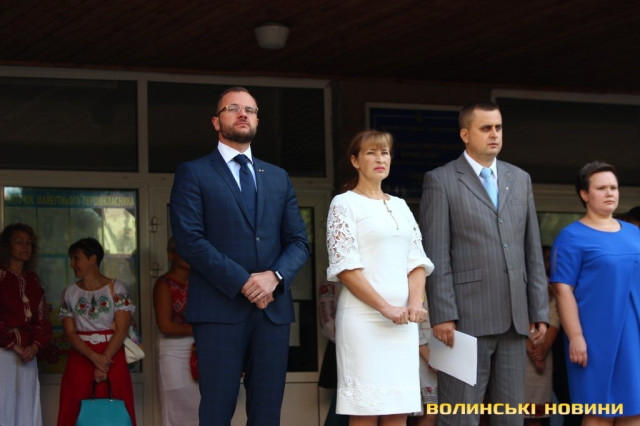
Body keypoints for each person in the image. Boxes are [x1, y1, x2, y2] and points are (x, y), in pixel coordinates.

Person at [169, 86, 310, 426]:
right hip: (219, 310)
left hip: (272, 312)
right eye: (233, 108)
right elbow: (190, 241)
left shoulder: (278, 177)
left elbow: (298, 241)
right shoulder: (194, 172)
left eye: (250, 109)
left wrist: (274, 277)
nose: (243, 113)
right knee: (216, 411)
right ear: (216, 122)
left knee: (267, 413)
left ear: (258, 120)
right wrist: (244, 282)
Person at [419, 100, 549, 426]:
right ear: (465, 134)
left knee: (510, 418)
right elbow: (436, 254)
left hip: (515, 319)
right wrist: (443, 314)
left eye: (499, 127)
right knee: (460, 417)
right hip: (463, 320)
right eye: (486, 128)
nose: (494, 134)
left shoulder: (520, 178)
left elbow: (532, 249)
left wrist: (538, 310)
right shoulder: (441, 180)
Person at [326, 130, 434, 426]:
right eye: (371, 152)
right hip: (363, 322)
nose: (379, 158)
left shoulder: (400, 205)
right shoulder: (343, 203)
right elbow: (345, 267)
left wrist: (415, 303)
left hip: (403, 325)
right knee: (365, 411)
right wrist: (386, 308)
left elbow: (417, 261)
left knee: (398, 411)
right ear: (355, 161)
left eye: (384, 152)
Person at [551, 161, 640, 425]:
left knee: (634, 412)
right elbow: (562, 289)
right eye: (601, 188)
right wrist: (576, 336)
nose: (610, 193)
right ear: (585, 194)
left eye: (613, 187)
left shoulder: (634, 233)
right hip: (593, 339)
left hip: (634, 336)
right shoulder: (571, 236)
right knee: (598, 413)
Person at [57, 237, 137, 426]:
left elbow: (122, 329)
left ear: (92, 259)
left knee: (115, 407)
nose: (72, 264)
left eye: (76, 258)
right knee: (74, 408)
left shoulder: (116, 288)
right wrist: (94, 357)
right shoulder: (69, 293)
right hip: (81, 356)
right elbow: (70, 333)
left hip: (112, 355)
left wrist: (103, 362)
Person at [0, 223, 52, 426]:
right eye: (19, 242)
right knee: (4, 402)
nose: (25, 247)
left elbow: (42, 318)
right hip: (4, 352)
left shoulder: (32, 280)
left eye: (29, 243)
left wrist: (35, 346)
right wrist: (14, 345)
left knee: (27, 406)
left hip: (28, 354)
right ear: (7, 246)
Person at [153, 237, 199, 426]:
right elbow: (165, 326)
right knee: (175, 405)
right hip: (173, 351)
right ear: (171, 255)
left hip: (198, 348)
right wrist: (198, 329)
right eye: (183, 251)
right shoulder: (164, 284)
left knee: (199, 405)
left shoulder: (200, 283)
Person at [524, 246, 559, 426]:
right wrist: (527, 345)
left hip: (542, 353)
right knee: (504, 412)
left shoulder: (548, 285)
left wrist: (543, 348)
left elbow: (555, 317)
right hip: (515, 351)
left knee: (535, 416)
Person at [408, 297, 438, 426]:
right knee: (431, 412)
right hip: (423, 351)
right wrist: (427, 356)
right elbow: (412, 323)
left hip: (446, 351)